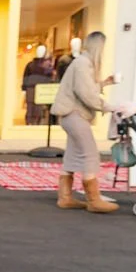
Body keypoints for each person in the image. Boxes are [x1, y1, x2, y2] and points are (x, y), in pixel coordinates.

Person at [50, 31, 124, 213]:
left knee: (72, 155)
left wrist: (104, 83)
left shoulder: (81, 63)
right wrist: (108, 107)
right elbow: (86, 94)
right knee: (90, 155)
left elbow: (86, 89)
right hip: (75, 114)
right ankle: (94, 200)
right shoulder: (84, 64)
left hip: (69, 114)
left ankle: (65, 198)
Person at [22, 45, 55, 125]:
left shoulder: (47, 65)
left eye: (42, 51)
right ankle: (30, 123)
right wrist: (24, 89)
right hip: (31, 89)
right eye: (38, 50)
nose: (39, 52)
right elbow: (25, 77)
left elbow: (50, 78)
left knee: (39, 109)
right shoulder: (30, 65)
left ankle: (37, 123)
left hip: (42, 90)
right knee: (31, 108)